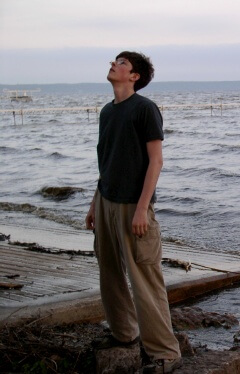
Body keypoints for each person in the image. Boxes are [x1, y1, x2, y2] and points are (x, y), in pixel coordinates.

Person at [85, 51, 182, 373]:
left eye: (122, 63)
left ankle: (165, 354)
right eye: (115, 60)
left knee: (144, 278)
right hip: (106, 200)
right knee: (109, 272)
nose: (114, 64)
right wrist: (93, 204)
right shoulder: (106, 112)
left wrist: (143, 208)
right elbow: (106, 162)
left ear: (134, 76)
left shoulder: (144, 109)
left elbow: (156, 161)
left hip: (134, 205)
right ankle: (123, 333)